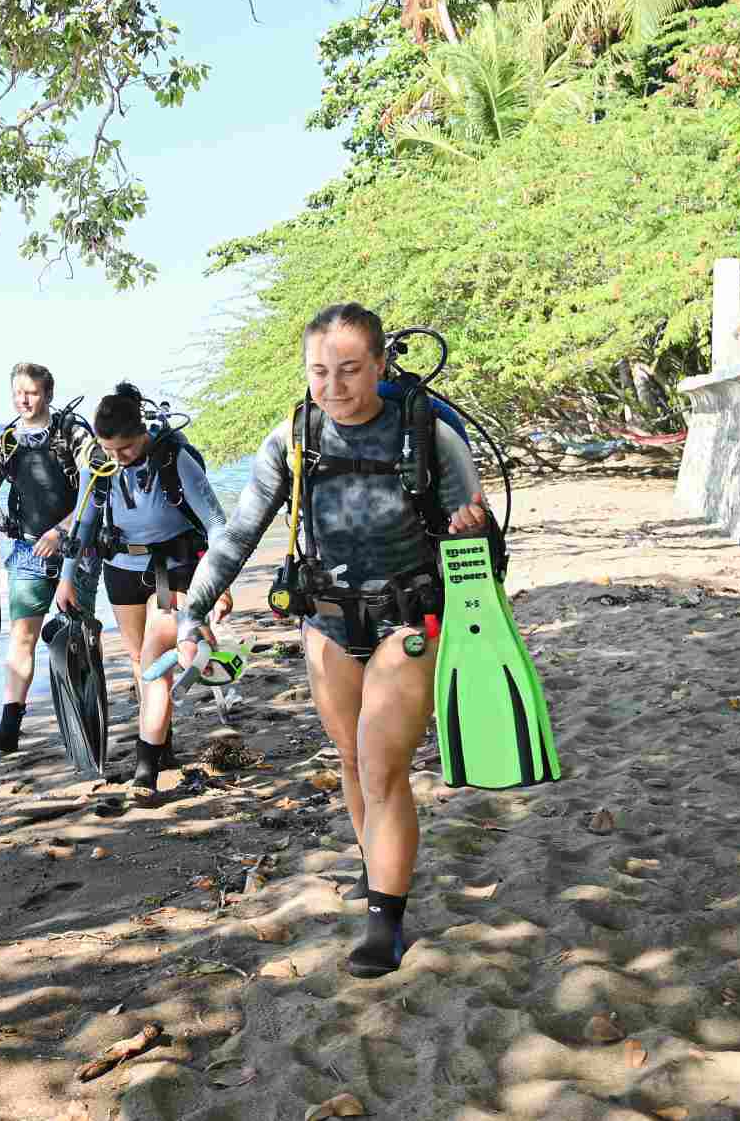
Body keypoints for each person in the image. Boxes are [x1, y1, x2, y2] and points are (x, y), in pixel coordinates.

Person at [173, 303, 491, 979]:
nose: (334, 385)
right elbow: (238, 532)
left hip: (408, 619)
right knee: (349, 759)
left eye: (350, 369)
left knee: (380, 765)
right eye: (319, 370)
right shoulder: (295, 436)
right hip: (323, 620)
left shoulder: (426, 433)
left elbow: (488, 553)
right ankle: (379, 868)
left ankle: (386, 920)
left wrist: (476, 532)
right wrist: (195, 607)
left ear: (380, 364)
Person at [53, 382, 232, 792]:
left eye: (126, 449)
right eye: (109, 450)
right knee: (140, 661)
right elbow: (81, 527)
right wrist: (66, 578)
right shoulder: (99, 464)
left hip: (174, 566)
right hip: (121, 568)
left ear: (142, 433)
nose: (117, 459)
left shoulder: (175, 458)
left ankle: (145, 765)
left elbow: (218, 524)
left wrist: (220, 582)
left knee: (157, 653)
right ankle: (161, 741)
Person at [0, 363, 99, 754]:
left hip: (77, 548)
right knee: (23, 636)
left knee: (79, 636)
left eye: (32, 392)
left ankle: (88, 719)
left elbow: (95, 490)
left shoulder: (73, 433)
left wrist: (61, 532)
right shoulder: (4, 442)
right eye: (18, 392)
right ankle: (9, 728)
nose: (24, 399)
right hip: (26, 550)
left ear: (48, 396)